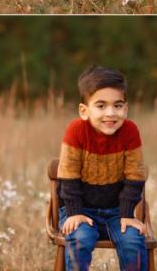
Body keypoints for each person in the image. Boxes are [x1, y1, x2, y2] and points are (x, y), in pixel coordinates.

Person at [57, 66, 149, 271]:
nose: (110, 113)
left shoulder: (130, 131)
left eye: (117, 105)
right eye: (101, 105)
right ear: (84, 110)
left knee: (132, 241)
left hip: (117, 212)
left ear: (125, 108)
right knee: (80, 239)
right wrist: (74, 212)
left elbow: (135, 176)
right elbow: (68, 175)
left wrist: (127, 214)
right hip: (78, 210)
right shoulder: (76, 131)